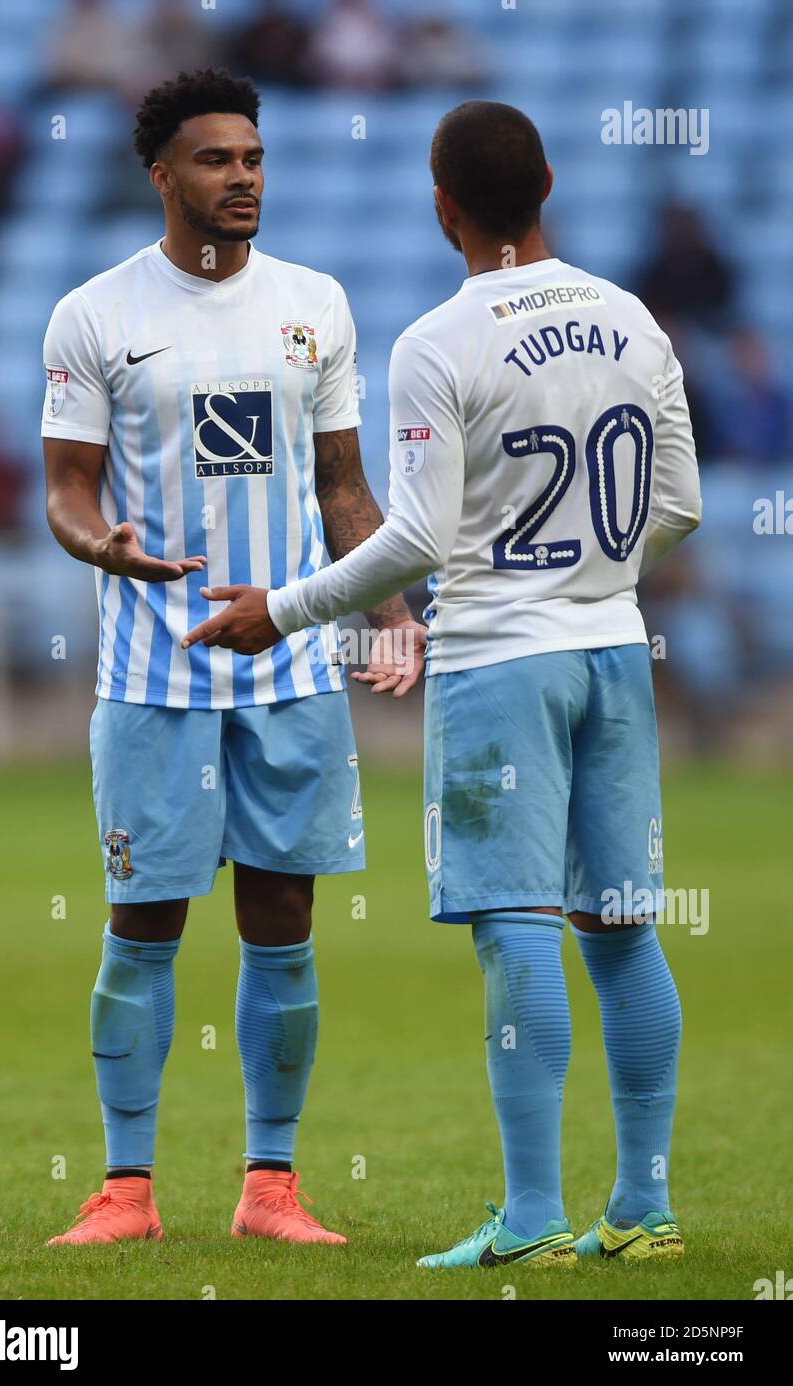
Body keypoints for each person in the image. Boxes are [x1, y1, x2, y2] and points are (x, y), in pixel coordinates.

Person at [186, 101, 702, 1269]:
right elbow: (679, 507)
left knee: (513, 925)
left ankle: (529, 1220)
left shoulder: (437, 340)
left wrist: (284, 606)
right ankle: (643, 1209)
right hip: (613, 652)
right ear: (549, 185)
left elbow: (416, 535)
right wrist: (594, 579)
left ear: (440, 206)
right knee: (620, 927)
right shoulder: (631, 319)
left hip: (496, 666)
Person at [41, 67, 424, 1248]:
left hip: (292, 671)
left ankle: (271, 1189)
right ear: (162, 176)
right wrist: (99, 545)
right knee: (141, 924)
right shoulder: (94, 314)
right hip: (151, 676)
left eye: (253, 157)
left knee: (282, 921)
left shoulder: (314, 301)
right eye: (216, 160)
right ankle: (125, 1190)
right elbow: (63, 492)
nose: (243, 177)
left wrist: (393, 608)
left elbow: (345, 486)